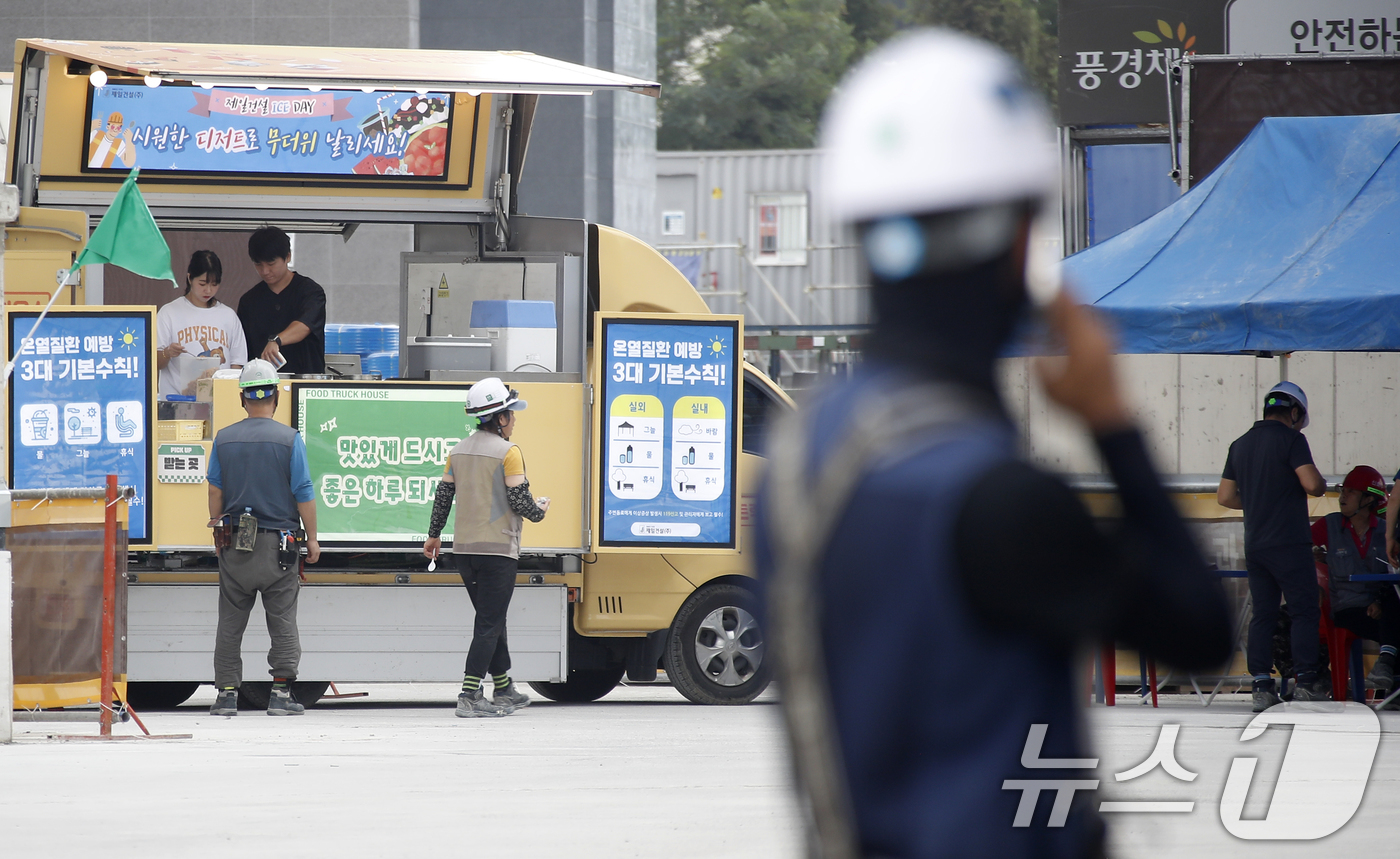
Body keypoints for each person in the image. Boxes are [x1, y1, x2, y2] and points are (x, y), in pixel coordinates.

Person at [754, 30, 1232, 859]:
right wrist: (1112, 422)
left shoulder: (803, 454)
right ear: (1022, 242)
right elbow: (1201, 630)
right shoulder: (999, 498)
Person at [422, 378, 550, 718]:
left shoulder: (458, 450)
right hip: (497, 550)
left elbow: (444, 495)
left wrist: (433, 534)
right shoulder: (509, 452)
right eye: (511, 413)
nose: (515, 419)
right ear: (500, 418)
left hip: (464, 551)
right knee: (490, 623)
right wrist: (540, 510)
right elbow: (520, 502)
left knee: (491, 618)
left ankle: (504, 686)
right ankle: (470, 694)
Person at [206, 359, 321, 717]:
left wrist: (215, 524)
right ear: (275, 396)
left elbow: (214, 489)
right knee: (282, 619)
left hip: (235, 543)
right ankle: (281, 694)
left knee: (230, 621)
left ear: (243, 398)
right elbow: (303, 491)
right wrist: (313, 539)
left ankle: (226, 695)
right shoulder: (289, 439)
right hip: (279, 547)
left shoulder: (224, 439)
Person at [1217, 380, 1328, 710]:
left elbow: (1224, 497)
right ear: (1294, 412)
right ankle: (1307, 682)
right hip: (1289, 542)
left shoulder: (1239, 444)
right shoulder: (1293, 440)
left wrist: (1256, 501)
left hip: (1256, 544)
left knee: (1262, 615)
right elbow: (1312, 484)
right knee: (1304, 610)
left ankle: (1261, 686)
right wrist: (1321, 485)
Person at [1313, 465, 1400, 691]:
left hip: (1382, 608)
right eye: (1343, 490)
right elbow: (1294, 549)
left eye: (1351, 491)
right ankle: (1388, 667)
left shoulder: (1385, 531)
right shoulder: (1329, 524)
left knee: (1392, 603)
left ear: (1369, 499)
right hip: (1347, 610)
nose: (1342, 496)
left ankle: (1387, 670)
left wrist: (1379, 602)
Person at [156, 250, 248, 397]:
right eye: (202, 283)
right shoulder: (169, 313)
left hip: (220, 401)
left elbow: (237, 364)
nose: (208, 290)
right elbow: (152, 363)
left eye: (214, 284)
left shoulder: (228, 316)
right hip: (178, 401)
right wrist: (167, 353)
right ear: (189, 278)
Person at [237, 225, 327, 375]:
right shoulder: (249, 301)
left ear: (288, 257)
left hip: (305, 382)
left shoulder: (311, 292)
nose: (265, 271)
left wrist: (276, 341)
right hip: (263, 385)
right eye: (258, 265)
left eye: (271, 264)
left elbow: (305, 325)